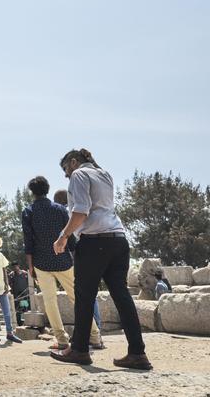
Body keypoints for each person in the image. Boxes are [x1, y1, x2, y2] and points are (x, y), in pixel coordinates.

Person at [51, 149, 152, 370]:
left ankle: (79, 350)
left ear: (74, 162)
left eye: (66, 170)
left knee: (84, 296)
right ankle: (137, 353)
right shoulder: (105, 173)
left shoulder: (79, 175)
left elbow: (81, 212)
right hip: (118, 240)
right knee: (122, 296)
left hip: (94, 241)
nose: (67, 175)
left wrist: (63, 236)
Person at [23, 176, 102, 351]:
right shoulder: (60, 209)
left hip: (41, 261)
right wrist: (76, 257)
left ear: (32, 192)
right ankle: (95, 337)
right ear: (47, 189)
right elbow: (70, 236)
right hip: (64, 260)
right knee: (79, 299)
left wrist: (30, 266)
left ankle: (62, 339)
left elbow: (28, 241)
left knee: (50, 302)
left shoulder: (28, 211)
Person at [54, 188, 102, 331]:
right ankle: (96, 327)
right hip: (86, 254)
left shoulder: (59, 213)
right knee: (89, 294)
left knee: (80, 296)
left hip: (69, 259)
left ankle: (90, 329)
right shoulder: (76, 212)